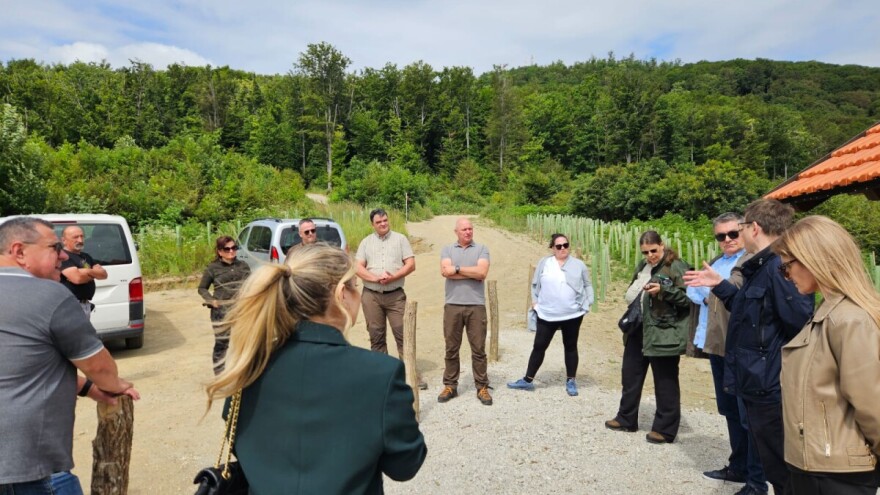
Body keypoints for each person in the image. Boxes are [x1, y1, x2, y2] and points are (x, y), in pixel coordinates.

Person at [205, 243, 426, 495]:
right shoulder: (381, 373)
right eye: (355, 286)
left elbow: (241, 444)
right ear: (341, 293)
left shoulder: (246, 368)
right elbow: (405, 465)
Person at [0, 217, 139, 494]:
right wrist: (115, 385)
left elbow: (22, 369)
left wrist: (90, 389)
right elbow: (99, 367)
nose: (63, 256)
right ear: (19, 251)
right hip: (23, 465)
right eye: (54, 247)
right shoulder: (50, 294)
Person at [684, 199, 814, 495]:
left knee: (779, 462)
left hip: (768, 379)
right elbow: (749, 309)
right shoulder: (762, 265)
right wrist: (720, 286)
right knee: (761, 442)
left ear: (754, 228)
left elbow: (800, 325)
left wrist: (776, 365)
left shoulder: (780, 266)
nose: (734, 236)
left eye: (739, 228)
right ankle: (751, 478)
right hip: (756, 374)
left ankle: (757, 485)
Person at [773, 216, 880, 494]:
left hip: (837, 474)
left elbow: (871, 402)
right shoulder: (828, 313)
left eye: (787, 266)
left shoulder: (848, 319)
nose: (786, 276)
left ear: (812, 259)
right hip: (816, 465)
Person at [687, 213, 767, 493]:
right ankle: (739, 465)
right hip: (718, 344)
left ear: (744, 231)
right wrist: (711, 290)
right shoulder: (718, 262)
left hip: (741, 347)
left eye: (733, 233)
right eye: (721, 236)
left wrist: (713, 288)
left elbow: (729, 293)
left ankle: (757, 478)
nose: (728, 240)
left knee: (748, 415)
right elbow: (695, 293)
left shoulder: (751, 261)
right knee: (730, 409)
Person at [605, 231, 691, 444]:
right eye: (645, 252)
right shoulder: (642, 266)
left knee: (665, 381)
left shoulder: (677, 266)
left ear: (662, 245)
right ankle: (626, 418)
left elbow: (689, 299)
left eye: (654, 250)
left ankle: (665, 429)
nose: (650, 255)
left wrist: (664, 291)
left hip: (663, 332)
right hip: (638, 329)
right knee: (630, 375)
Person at [507, 233, 593, 397]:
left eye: (565, 245)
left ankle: (571, 381)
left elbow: (587, 284)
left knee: (570, 346)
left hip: (572, 314)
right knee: (539, 346)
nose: (563, 249)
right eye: (559, 246)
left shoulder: (579, 265)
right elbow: (535, 284)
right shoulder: (544, 263)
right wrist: (535, 302)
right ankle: (528, 380)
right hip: (547, 313)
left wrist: (589, 301)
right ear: (552, 248)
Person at [355, 208, 426, 389]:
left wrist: (393, 277)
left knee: (403, 334)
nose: (383, 224)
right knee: (376, 336)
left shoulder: (400, 239)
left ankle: (411, 375)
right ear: (372, 224)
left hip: (395, 296)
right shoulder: (365, 242)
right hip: (371, 296)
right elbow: (358, 267)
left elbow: (411, 264)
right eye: (379, 222)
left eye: (385, 220)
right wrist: (375, 278)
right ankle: (383, 376)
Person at [438, 217, 493, 406]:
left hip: (476, 305)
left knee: (478, 349)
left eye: (470, 228)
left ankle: (482, 386)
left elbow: (482, 273)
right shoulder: (447, 249)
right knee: (451, 348)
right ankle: (450, 385)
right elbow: (445, 272)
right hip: (452, 305)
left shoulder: (482, 249)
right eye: (464, 229)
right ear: (456, 232)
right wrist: (470, 272)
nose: (468, 232)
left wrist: (457, 269)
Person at [198, 236, 251, 375]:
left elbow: (250, 285)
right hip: (221, 311)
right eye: (227, 249)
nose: (231, 251)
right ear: (219, 251)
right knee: (222, 343)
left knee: (245, 341)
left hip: (241, 309)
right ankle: (219, 375)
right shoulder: (212, 268)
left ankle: (244, 372)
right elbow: (202, 288)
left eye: (234, 248)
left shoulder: (243, 266)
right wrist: (211, 300)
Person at [60, 225, 108, 319]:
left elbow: (103, 275)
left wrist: (86, 271)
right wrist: (93, 273)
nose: (80, 240)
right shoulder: (63, 256)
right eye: (75, 237)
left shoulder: (86, 256)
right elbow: (77, 278)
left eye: (82, 236)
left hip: (85, 305)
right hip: (71, 306)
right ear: (64, 240)